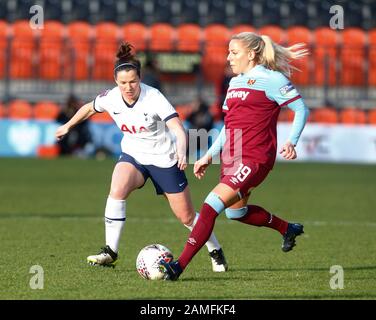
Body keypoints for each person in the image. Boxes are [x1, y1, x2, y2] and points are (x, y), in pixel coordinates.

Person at [55, 42, 228, 272]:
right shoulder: (111, 97)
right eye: (123, 83)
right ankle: (110, 251)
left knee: (186, 216)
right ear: (116, 81)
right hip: (134, 155)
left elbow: (177, 127)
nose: (128, 87)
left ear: (140, 78)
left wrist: (181, 149)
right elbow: (89, 107)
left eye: (133, 82)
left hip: (164, 159)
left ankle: (215, 250)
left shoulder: (153, 97)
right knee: (117, 189)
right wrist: (68, 125)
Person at [160, 32, 310, 280]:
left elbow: (301, 108)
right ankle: (287, 228)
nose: (228, 57)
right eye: (228, 52)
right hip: (232, 155)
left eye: (234, 52)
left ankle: (178, 267)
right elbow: (229, 129)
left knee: (209, 208)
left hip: (255, 158)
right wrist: (209, 155)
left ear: (251, 54)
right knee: (235, 213)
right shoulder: (234, 83)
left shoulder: (272, 79)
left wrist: (292, 142)